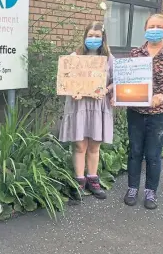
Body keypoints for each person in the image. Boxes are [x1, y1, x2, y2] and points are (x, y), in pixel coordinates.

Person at [123, 14, 163, 210]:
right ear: (145, 28)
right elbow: (126, 81)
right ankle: (132, 188)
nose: (155, 29)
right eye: (152, 25)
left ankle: (150, 191)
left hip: (160, 113)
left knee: (153, 154)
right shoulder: (136, 53)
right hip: (136, 111)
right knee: (135, 151)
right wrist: (119, 94)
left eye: (159, 26)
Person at [59, 21, 114, 201]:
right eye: (90, 35)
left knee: (94, 145)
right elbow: (65, 81)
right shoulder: (74, 57)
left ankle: (93, 179)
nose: (93, 39)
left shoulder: (109, 58)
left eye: (97, 36)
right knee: (80, 145)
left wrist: (106, 90)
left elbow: (117, 80)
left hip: (98, 107)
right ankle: (78, 181)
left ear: (103, 39)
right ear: (84, 37)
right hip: (80, 106)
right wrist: (72, 90)